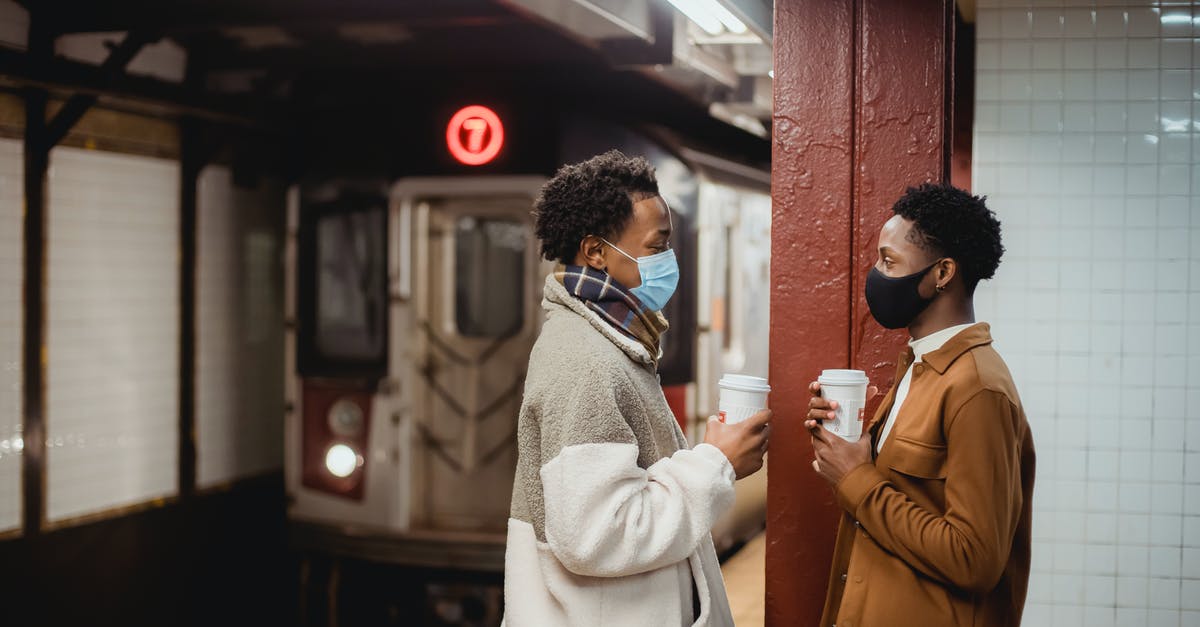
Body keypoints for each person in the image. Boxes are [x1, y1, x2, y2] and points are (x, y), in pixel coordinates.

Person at [503, 151, 771, 627]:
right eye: (657, 245)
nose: (669, 260)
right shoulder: (585, 359)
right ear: (596, 252)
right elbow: (596, 534)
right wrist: (716, 463)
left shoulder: (610, 340)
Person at [806, 183, 1035, 627]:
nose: (875, 274)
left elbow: (975, 559)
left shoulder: (978, 389)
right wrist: (845, 448)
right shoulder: (920, 364)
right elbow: (903, 494)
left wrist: (857, 478)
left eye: (889, 261)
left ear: (943, 272)